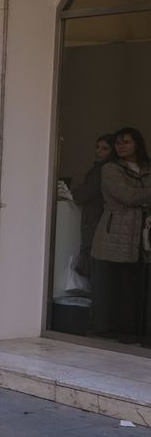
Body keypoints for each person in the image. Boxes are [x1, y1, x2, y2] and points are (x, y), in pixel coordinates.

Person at [90, 127, 151, 343]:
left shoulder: (147, 167)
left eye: (126, 142)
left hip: (142, 237)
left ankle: (136, 333)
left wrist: (141, 198)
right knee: (116, 287)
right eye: (117, 143)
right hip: (114, 235)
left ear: (137, 144)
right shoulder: (110, 168)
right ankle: (115, 333)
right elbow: (126, 195)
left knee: (137, 287)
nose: (121, 146)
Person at [72, 134, 113, 278]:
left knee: (95, 267)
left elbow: (85, 193)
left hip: (97, 219)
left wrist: (73, 192)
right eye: (97, 147)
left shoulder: (102, 170)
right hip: (101, 220)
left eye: (104, 148)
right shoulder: (105, 169)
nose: (98, 151)